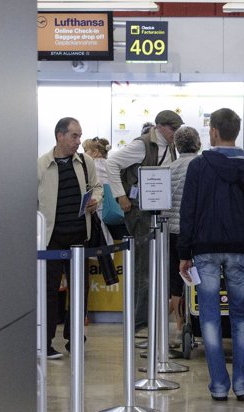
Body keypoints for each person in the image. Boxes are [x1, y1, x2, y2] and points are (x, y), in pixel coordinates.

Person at [178, 108, 244, 401]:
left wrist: (184, 252)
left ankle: (219, 386)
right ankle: (242, 383)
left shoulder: (199, 166)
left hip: (205, 249)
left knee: (209, 317)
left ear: (213, 132)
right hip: (241, 248)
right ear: (236, 132)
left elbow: (188, 211)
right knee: (241, 316)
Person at [106, 110, 184, 330]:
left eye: (178, 128)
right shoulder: (141, 145)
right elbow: (112, 164)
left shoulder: (170, 146)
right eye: (173, 128)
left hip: (158, 212)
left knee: (156, 267)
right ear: (159, 126)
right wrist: (120, 195)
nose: (175, 132)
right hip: (139, 212)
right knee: (143, 268)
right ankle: (138, 322)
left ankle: (150, 318)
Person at [38, 117, 102, 359]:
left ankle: (74, 339)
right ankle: (46, 342)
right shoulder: (41, 166)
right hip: (51, 239)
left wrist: (97, 200)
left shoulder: (86, 162)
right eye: (74, 136)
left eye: (80, 135)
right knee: (50, 290)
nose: (78, 141)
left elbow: (96, 187)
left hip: (79, 237)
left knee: (79, 290)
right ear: (60, 136)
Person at [167, 126, 201, 339]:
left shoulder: (170, 168)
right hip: (195, 230)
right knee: (196, 274)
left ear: (177, 146)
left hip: (172, 230)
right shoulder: (201, 165)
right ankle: (195, 316)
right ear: (198, 143)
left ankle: (179, 321)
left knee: (175, 275)